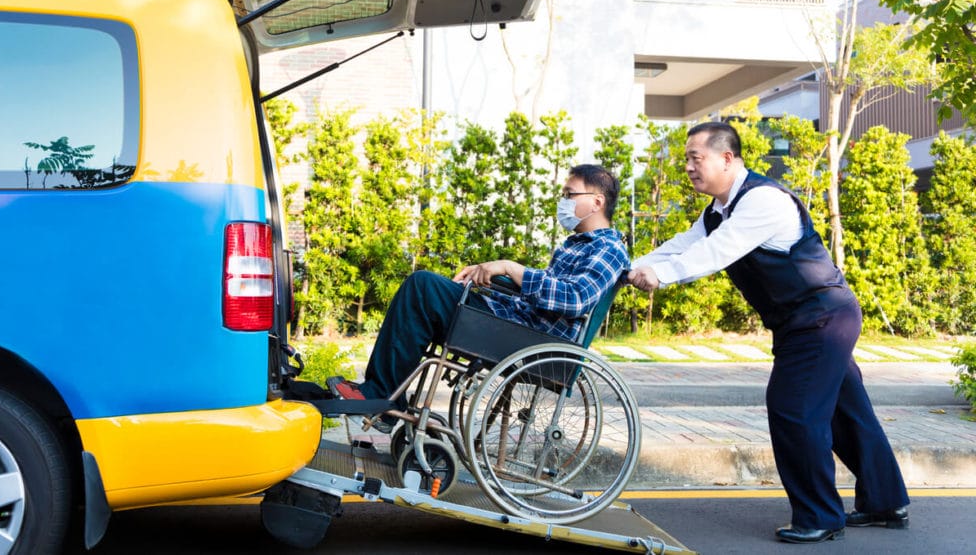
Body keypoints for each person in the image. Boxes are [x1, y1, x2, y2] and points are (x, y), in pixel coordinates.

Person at [627, 122, 909, 544]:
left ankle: (820, 516)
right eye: (686, 159)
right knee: (847, 412)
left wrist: (661, 276)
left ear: (727, 158)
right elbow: (685, 244)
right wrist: (630, 268)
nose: (688, 167)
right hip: (807, 320)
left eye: (695, 158)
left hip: (821, 319)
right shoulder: (718, 210)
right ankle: (885, 502)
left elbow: (715, 252)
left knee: (794, 409)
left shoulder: (763, 200)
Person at [328, 163, 630, 426]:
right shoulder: (577, 244)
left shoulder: (609, 249)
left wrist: (510, 268)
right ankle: (384, 398)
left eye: (569, 194)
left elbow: (574, 299)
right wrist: (486, 280)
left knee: (423, 287)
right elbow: (540, 296)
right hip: (520, 326)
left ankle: (380, 396)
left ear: (596, 202)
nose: (563, 202)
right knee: (429, 292)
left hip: (535, 341)